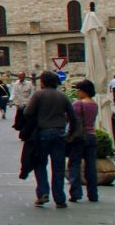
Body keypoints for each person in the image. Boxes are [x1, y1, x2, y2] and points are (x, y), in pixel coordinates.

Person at [23, 71, 75, 208]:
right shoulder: (63, 96)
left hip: (43, 133)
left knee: (40, 163)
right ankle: (60, 198)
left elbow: (28, 112)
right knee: (58, 167)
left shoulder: (39, 95)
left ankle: (42, 193)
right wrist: (70, 133)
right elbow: (73, 117)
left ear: (43, 82)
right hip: (60, 133)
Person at [67, 80, 100, 203]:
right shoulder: (95, 105)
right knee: (91, 166)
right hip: (92, 136)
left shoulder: (77, 104)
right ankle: (93, 194)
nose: (77, 92)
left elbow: (71, 120)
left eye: (78, 90)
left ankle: (75, 193)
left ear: (83, 91)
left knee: (74, 164)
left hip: (79, 137)